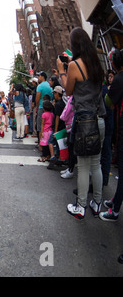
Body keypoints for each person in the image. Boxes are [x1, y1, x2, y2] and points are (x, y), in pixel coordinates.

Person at [57, 27, 106, 220]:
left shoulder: (74, 66)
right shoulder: (96, 62)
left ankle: (80, 206)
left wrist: (62, 70)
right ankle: (97, 203)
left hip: (85, 122)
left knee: (83, 166)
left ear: (74, 45)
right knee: (96, 164)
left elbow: (68, 91)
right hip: (99, 119)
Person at [99, 47, 123, 222]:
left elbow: (109, 101)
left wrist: (109, 89)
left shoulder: (119, 79)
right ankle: (115, 200)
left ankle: (114, 211)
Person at [47, 85, 66, 169]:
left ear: (58, 94)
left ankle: (53, 157)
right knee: (59, 144)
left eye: (54, 93)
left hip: (58, 128)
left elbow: (57, 117)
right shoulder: (62, 103)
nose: (54, 95)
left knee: (50, 141)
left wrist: (55, 130)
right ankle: (57, 158)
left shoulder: (58, 104)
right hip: (63, 127)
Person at [35, 71, 53, 144]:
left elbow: (37, 98)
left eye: (39, 76)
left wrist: (37, 107)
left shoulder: (40, 86)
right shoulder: (49, 86)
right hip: (50, 109)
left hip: (41, 108)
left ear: (43, 77)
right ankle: (48, 143)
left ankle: (41, 144)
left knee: (40, 127)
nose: (38, 78)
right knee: (48, 127)